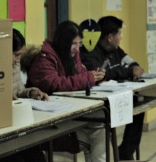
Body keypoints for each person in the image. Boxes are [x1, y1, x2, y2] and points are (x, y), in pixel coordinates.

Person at [27, 21, 106, 162]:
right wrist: (87, 78)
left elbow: (80, 75)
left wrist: (95, 77)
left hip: (70, 114)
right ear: (64, 43)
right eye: (74, 44)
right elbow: (55, 84)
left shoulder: (72, 56)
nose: (77, 48)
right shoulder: (44, 60)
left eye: (79, 44)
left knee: (100, 124)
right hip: (52, 122)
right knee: (97, 133)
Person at [80, 16, 144, 160]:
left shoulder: (115, 50)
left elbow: (133, 63)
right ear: (110, 37)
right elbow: (99, 75)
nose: (121, 38)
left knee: (139, 106)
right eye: (119, 34)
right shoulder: (90, 52)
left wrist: (133, 68)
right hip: (100, 102)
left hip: (116, 96)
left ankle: (126, 151)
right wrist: (126, 72)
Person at [0, 29, 47, 162]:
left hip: (16, 124)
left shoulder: (15, 65)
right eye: (16, 55)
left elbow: (19, 91)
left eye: (20, 55)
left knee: (38, 156)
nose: (18, 60)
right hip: (0, 128)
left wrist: (31, 93)